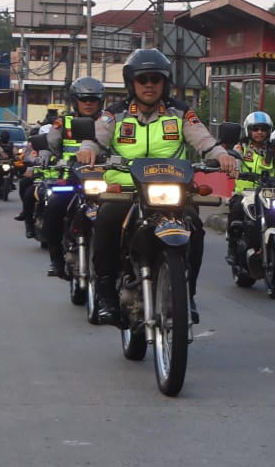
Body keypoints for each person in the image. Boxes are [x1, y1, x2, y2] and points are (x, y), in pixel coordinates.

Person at [77, 49, 237, 324]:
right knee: (105, 219)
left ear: (165, 82)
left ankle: (188, 293)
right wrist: (88, 150)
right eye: (143, 79)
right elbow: (96, 138)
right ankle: (105, 294)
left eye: (155, 79)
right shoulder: (114, 114)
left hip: (172, 190)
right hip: (126, 191)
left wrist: (221, 155)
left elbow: (204, 140)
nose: (149, 85)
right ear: (131, 83)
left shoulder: (181, 113)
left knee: (195, 226)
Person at [37, 78, 106, 277]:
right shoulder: (62, 123)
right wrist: (44, 155)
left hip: (104, 181)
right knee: (53, 207)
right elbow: (50, 144)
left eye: (93, 99)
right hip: (70, 179)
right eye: (83, 99)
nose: (88, 103)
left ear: (100, 101)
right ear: (75, 101)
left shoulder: (109, 122)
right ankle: (56, 259)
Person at [227, 111, 275, 232]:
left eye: (263, 129)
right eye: (255, 129)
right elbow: (235, 160)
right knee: (236, 212)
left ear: (268, 131)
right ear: (248, 130)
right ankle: (234, 241)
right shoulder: (241, 147)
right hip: (245, 193)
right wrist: (234, 169)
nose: (259, 132)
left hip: (270, 193)